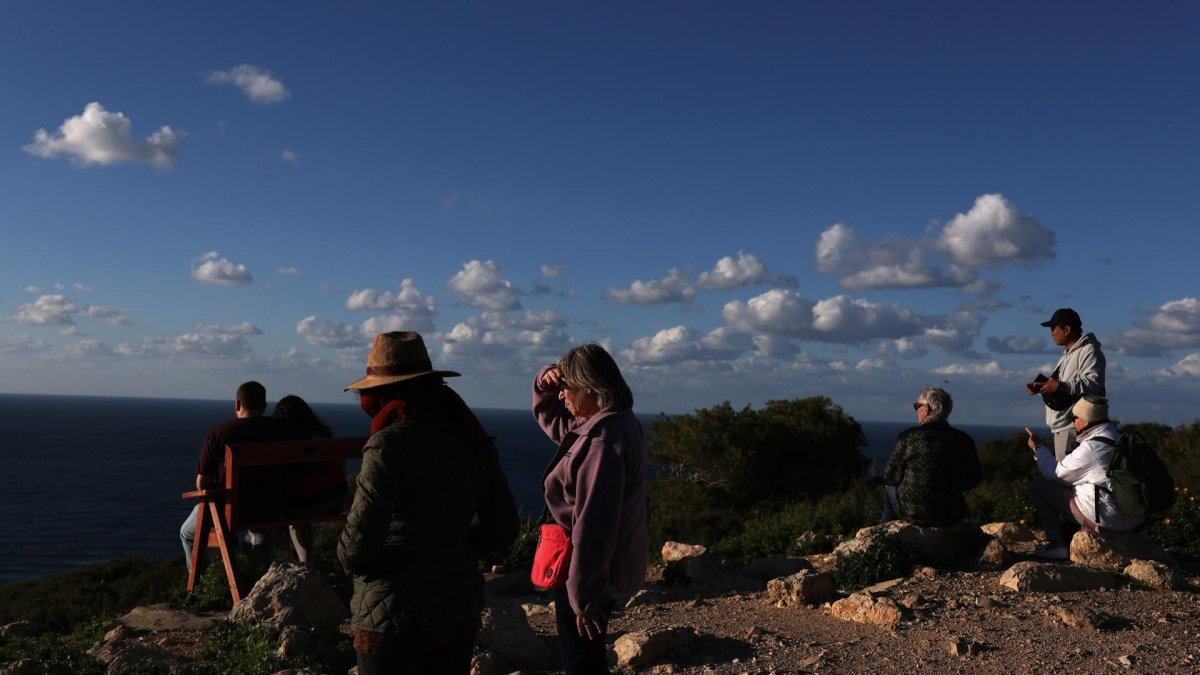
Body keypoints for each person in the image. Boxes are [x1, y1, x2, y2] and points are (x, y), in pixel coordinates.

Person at [338, 331, 518, 675]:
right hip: (456, 605)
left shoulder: (387, 445)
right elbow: (504, 528)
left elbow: (357, 545)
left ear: (382, 393)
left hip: (392, 610)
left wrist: (353, 558)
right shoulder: (473, 437)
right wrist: (453, 548)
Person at [533, 343, 648, 675]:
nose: (562, 395)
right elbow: (553, 421)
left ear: (590, 386)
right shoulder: (615, 423)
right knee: (588, 658)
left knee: (581, 662)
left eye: (567, 386)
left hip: (586, 574)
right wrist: (545, 379)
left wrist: (584, 596)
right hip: (605, 567)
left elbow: (594, 525)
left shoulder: (600, 440)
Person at [179, 381, 309, 577]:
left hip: (230, 510)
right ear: (264, 407)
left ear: (237, 405)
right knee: (261, 529)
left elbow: (202, 484)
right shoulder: (283, 430)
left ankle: (202, 587)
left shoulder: (219, 434)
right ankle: (260, 582)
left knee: (187, 534)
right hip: (272, 508)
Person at [1025, 396, 1142, 560]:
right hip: (1131, 519)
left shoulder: (1091, 448)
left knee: (1039, 485)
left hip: (1107, 521)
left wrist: (1038, 448)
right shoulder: (1119, 437)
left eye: (1074, 417)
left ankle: (1057, 545)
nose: (1073, 422)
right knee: (1074, 486)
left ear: (1086, 420)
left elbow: (1055, 472)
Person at [881, 387, 980, 526]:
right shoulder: (964, 440)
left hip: (912, 512)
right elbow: (973, 479)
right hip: (951, 513)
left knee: (890, 488)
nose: (916, 410)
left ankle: (884, 534)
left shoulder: (908, 437)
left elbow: (890, 476)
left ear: (926, 409)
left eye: (917, 406)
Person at [272, 395, 345, 567]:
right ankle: (308, 567)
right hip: (336, 500)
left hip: (303, 506)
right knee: (297, 518)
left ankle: (304, 567)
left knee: (294, 522)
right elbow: (341, 464)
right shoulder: (323, 434)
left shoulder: (283, 439)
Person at [1025, 308, 1106, 461]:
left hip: (1072, 428)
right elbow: (1063, 386)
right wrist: (1042, 388)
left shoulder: (1089, 350)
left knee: (1064, 478)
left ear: (1067, 329)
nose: (1051, 333)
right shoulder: (1068, 354)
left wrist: (1060, 386)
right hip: (1063, 427)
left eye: (1053, 328)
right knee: (1064, 476)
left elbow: (1094, 383)